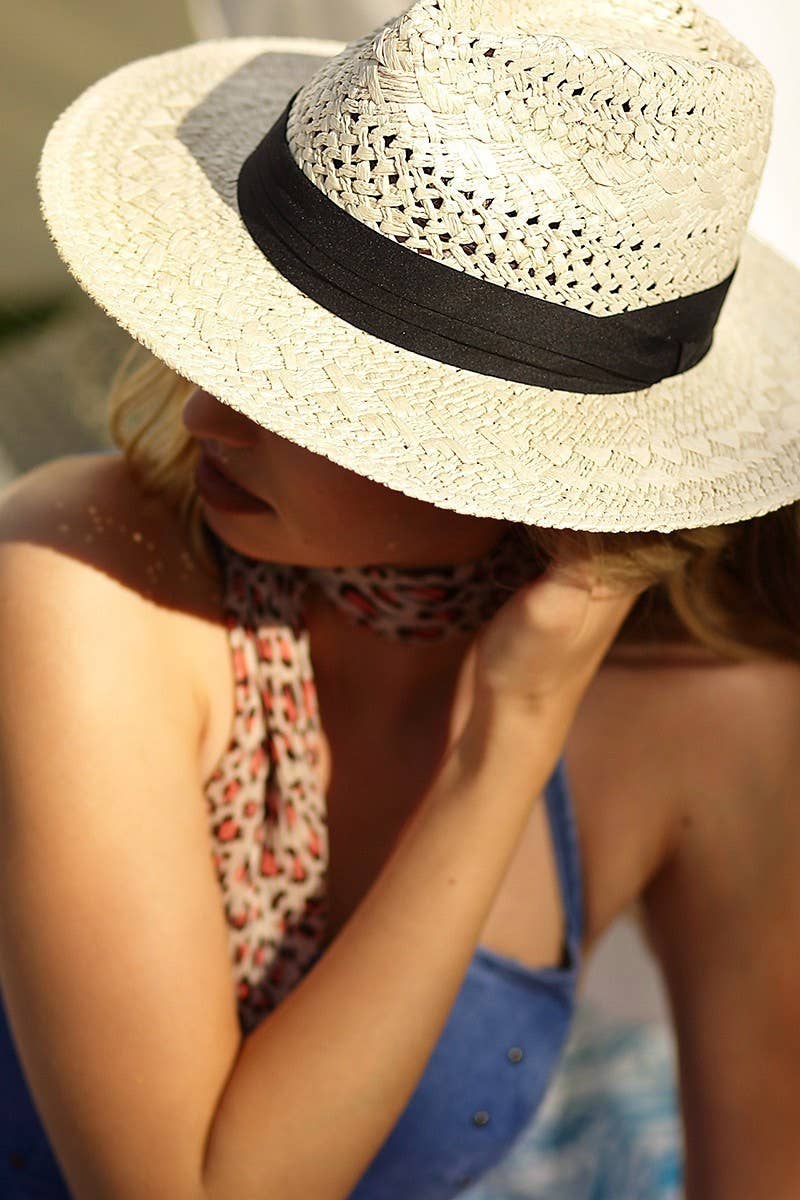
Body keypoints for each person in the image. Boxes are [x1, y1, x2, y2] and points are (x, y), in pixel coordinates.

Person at [1, 0, 799, 1196]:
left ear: (543, 457)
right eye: (242, 331)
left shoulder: (704, 717)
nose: (208, 411)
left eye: (314, 391)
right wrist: (505, 742)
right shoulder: (88, 572)